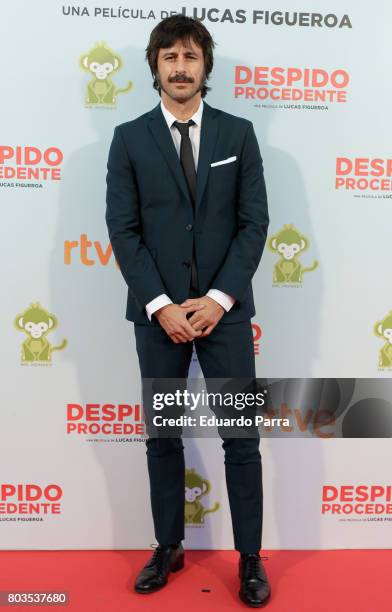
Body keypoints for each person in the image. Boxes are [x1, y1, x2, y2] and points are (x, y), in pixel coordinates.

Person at [105, 14, 270, 607]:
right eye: (170, 56)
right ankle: (168, 544)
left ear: (206, 67)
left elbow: (254, 225)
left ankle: (251, 558)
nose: (180, 67)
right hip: (159, 319)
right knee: (162, 438)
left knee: (242, 438)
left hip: (225, 314)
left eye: (191, 56)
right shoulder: (128, 138)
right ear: (155, 66)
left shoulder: (239, 134)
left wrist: (219, 298)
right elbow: (123, 231)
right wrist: (160, 305)